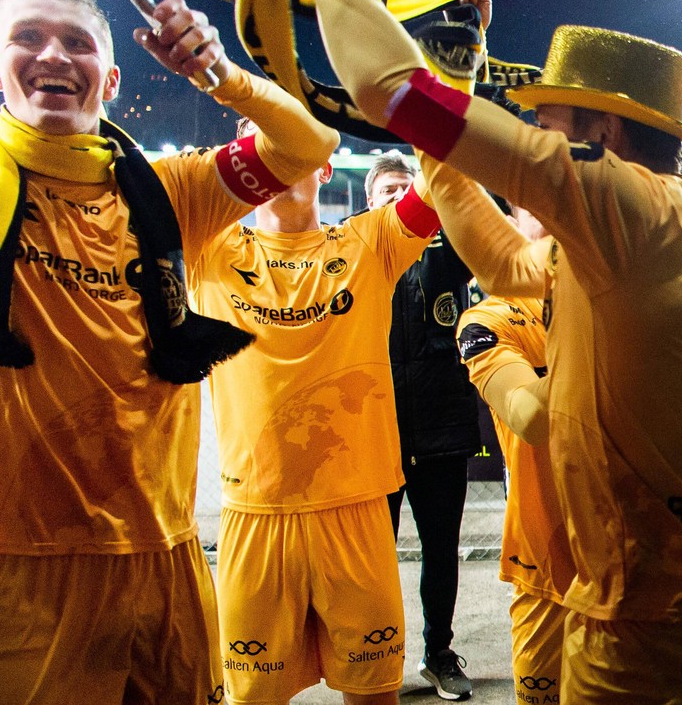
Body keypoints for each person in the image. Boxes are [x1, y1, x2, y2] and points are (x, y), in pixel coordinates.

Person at [297, 0, 682, 702]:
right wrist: (455, 98)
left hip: (651, 613)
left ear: (602, 132)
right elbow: (510, 263)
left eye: (548, 122)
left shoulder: (628, 204)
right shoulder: (666, 222)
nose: (534, 135)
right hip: (666, 595)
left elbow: (387, 87)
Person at [0, 0, 338, 702]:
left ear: (111, 80)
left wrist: (219, 72)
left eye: (79, 41)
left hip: (168, 563)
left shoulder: (172, 193)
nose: (54, 54)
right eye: (28, 37)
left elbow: (309, 147)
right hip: (22, 571)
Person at [188, 120, 445, 705]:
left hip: (355, 512)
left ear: (325, 167)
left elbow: (443, 173)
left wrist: (450, 73)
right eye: (260, 145)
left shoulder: (369, 243)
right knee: (252, 698)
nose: (277, 158)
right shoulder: (208, 247)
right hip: (255, 514)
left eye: (294, 144)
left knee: (374, 694)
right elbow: (136, 193)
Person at [363, 151, 481, 701]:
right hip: (373, 435)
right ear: (369, 201)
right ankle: (374, 656)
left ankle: (439, 655)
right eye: (387, 191)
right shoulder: (353, 255)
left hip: (441, 431)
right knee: (371, 557)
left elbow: (476, 218)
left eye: (405, 189)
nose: (396, 198)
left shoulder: (450, 252)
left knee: (441, 552)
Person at [455, 204, 574, 705]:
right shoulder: (487, 318)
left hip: (639, 556)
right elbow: (529, 415)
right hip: (546, 556)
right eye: (538, 202)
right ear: (511, 220)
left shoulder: (635, 294)